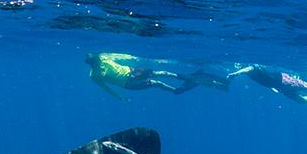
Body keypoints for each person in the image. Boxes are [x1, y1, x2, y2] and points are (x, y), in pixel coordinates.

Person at [86, 52, 229, 97]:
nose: (98, 61)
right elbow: (106, 88)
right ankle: (178, 90)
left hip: (132, 71)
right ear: (92, 63)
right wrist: (119, 97)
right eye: (95, 61)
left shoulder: (102, 57)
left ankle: (191, 78)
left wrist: (133, 58)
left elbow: (119, 56)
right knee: (157, 83)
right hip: (128, 83)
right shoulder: (94, 75)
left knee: (163, 73)